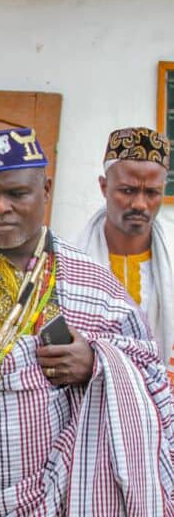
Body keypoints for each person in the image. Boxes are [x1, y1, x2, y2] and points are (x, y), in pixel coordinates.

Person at [0, 127, 174, 515]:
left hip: (60, 491)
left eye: (16, 193)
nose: (0, 208)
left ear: (46, 191)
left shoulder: (93, 283)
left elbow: (153, 382)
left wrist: (97, 362)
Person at [76, 127, 173, 379]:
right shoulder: (71, 262)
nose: (140, 204)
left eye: (151, 192)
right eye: (127, 190)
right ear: (103, 186)